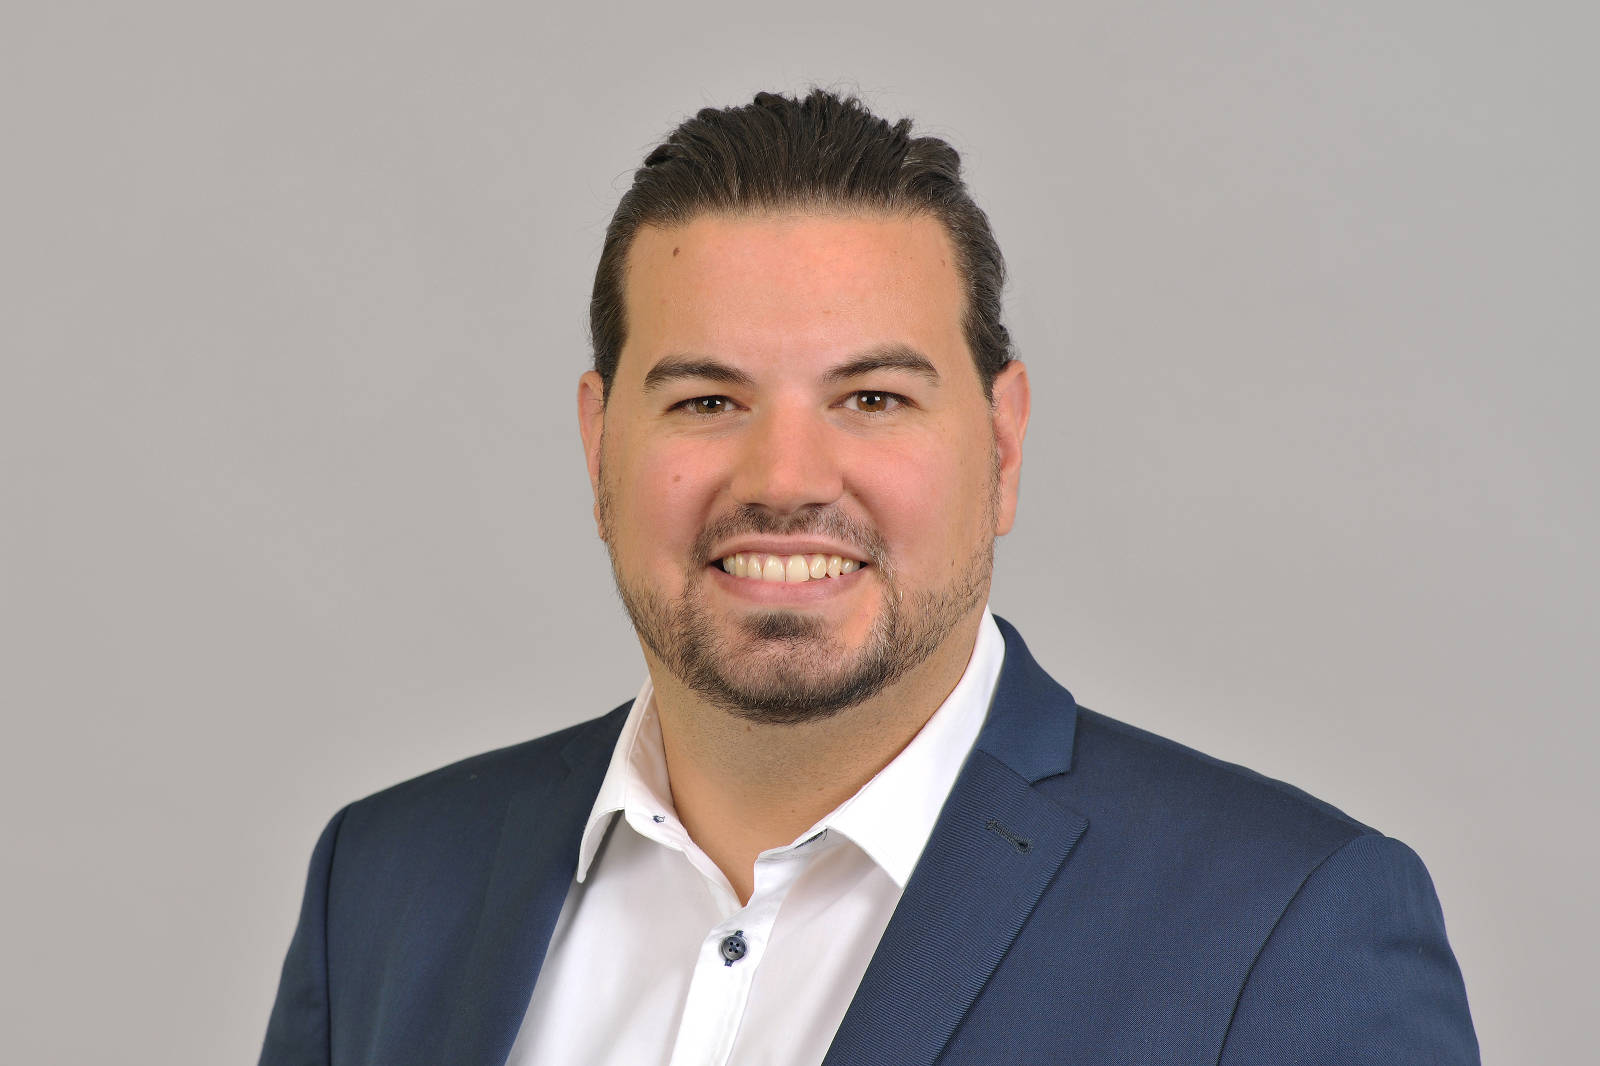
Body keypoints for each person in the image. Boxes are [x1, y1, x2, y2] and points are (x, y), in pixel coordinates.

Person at [259, 90, 1479, 1065]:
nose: (784, 474)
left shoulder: (1280, 926)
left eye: (873, 398)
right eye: (705, 399)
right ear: (598, 448)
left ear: (1001, 445)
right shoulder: (384, 883)